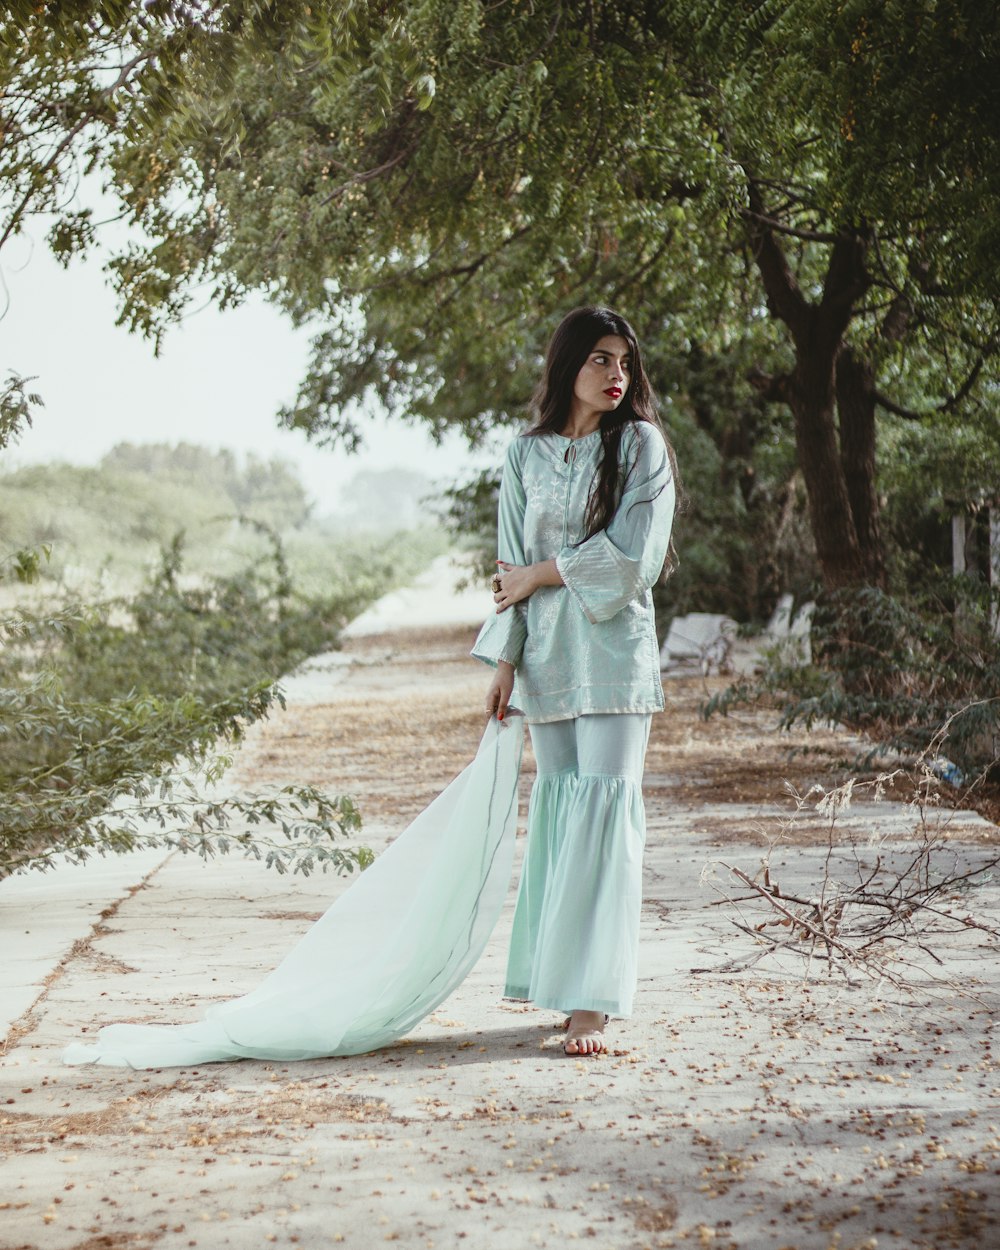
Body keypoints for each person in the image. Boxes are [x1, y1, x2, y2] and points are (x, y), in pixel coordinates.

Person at [472, 305, 677, 1058]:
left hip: (615, 658)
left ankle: (592, 1002)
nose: (616, 375)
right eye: (599, 359)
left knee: (605, 815)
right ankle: (557, 986)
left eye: (624, 361)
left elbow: (633, 557)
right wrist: (503, 661)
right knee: (561, 817)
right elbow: (505, 569)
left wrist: (542, 574)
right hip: (547, 664)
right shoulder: (525, 456)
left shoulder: (641, 446)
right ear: (568, 366)